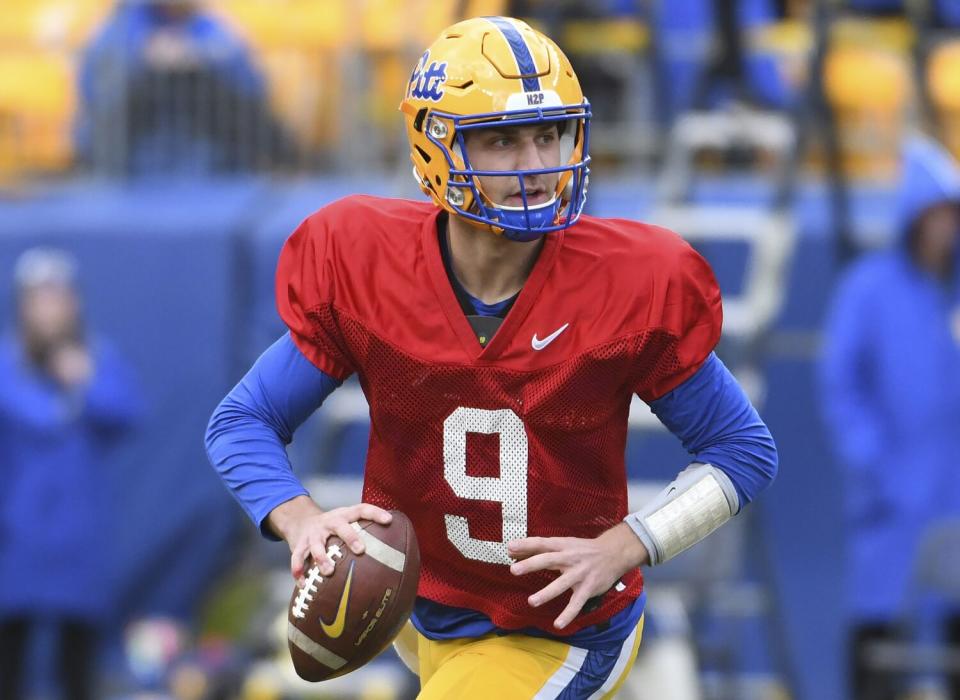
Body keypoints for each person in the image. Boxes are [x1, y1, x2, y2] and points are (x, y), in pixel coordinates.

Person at [206, 16, 778, 698]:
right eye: (501, 141)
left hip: (557, 632)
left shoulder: (629, 283)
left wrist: (628, 545)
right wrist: (299, 518)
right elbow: (242, 420)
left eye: (548, 134)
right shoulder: (367, 263)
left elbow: (743, 450)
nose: (535, 163)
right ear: (435, 146)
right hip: (428, 618)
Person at [820, 135, 960, 700]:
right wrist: (873, 461)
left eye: (952, 215)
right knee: (877, 628)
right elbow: (841, 384)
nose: (944, 229)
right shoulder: (869, 289)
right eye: (935, 215)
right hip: (890, 494)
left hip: (953, 489)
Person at [0, 248, 142, 700]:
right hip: (14, 542)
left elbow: (126, 413)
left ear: (73, 303)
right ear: (23, 306)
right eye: (39, 298)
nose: (49, 308)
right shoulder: (5, 363)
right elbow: (33, 415)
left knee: (78, 665)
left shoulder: (97, 360)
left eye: (58, 297)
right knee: (9, 661)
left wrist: (84, 381)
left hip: (79, 543)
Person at [76, 0, 298, 175]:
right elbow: (96, 88)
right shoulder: (121, 24)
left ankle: (285, 159)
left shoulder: (211, 25)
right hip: (130, 144)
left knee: (197, 78)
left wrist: (196, 55)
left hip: (211, 151)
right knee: (160, 76)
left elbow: (251, 84)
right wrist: (148, 57)